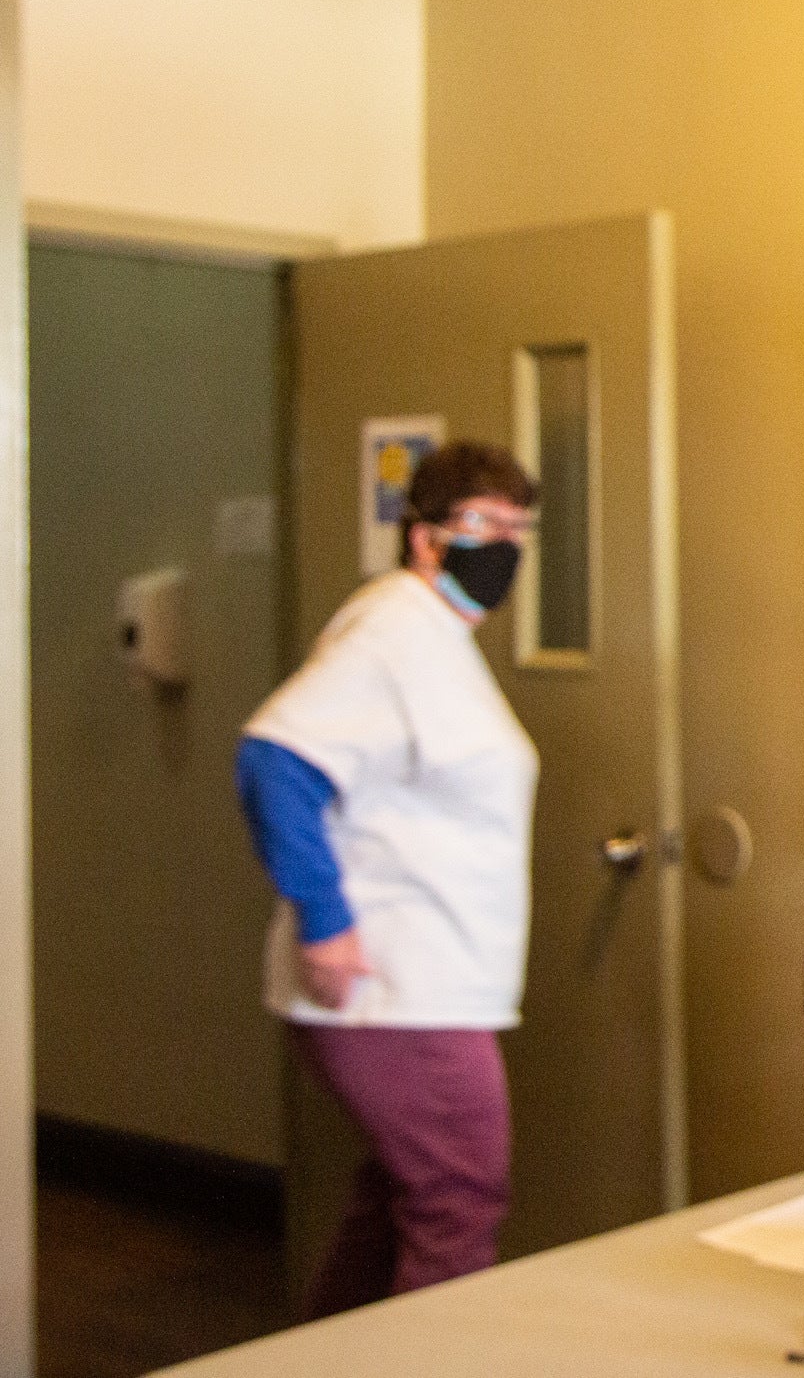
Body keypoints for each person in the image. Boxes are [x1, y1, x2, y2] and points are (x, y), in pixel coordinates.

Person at [236, 441, 539, 1315]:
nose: (506, 547)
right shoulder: (397, 629)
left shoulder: (433, 636)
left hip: (435, 983)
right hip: (400, 989)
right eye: (484, 524)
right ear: (424, 538)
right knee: (458, 1201)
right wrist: (324, 920)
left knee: (395, 1206)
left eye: (519, 529)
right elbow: (276, 761)